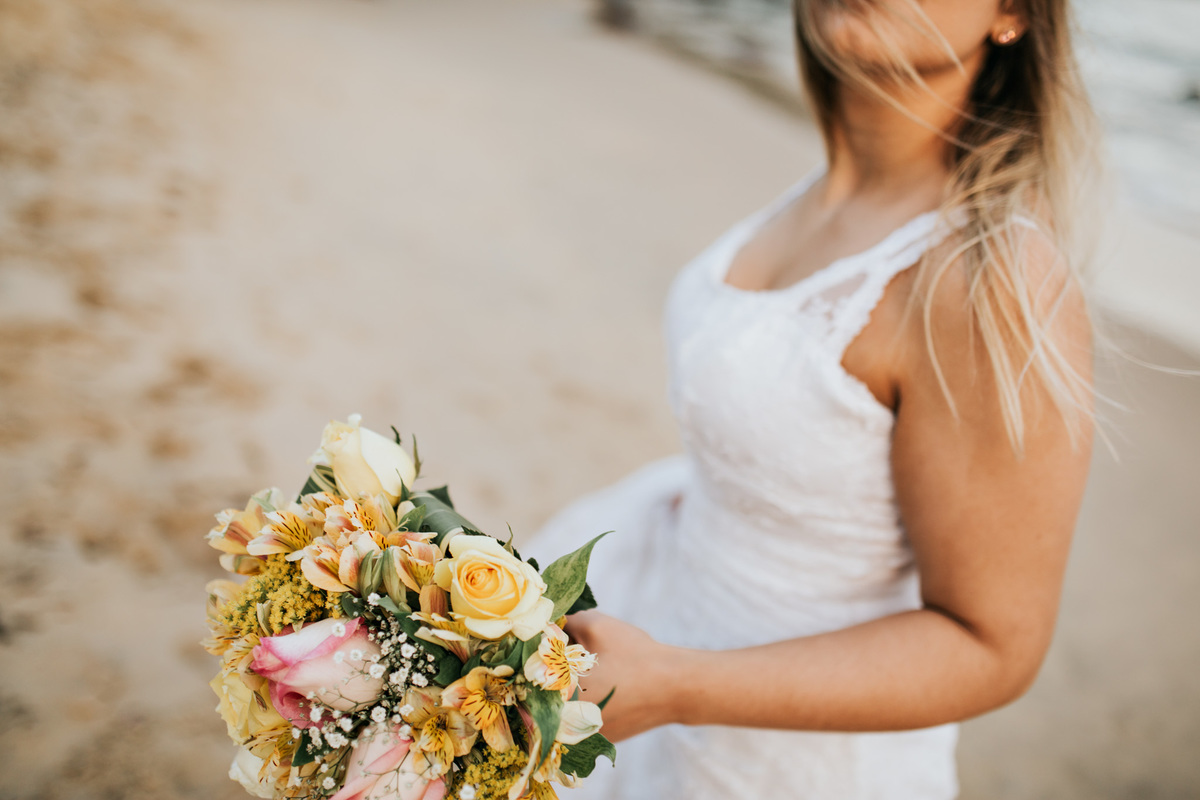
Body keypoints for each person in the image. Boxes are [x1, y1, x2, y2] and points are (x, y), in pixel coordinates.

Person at [524, 0, 1100, 797]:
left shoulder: (986, 277)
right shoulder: (825, 190)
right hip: (660, 640)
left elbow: (993, 645)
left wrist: (676, 684)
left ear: (1013, 13)